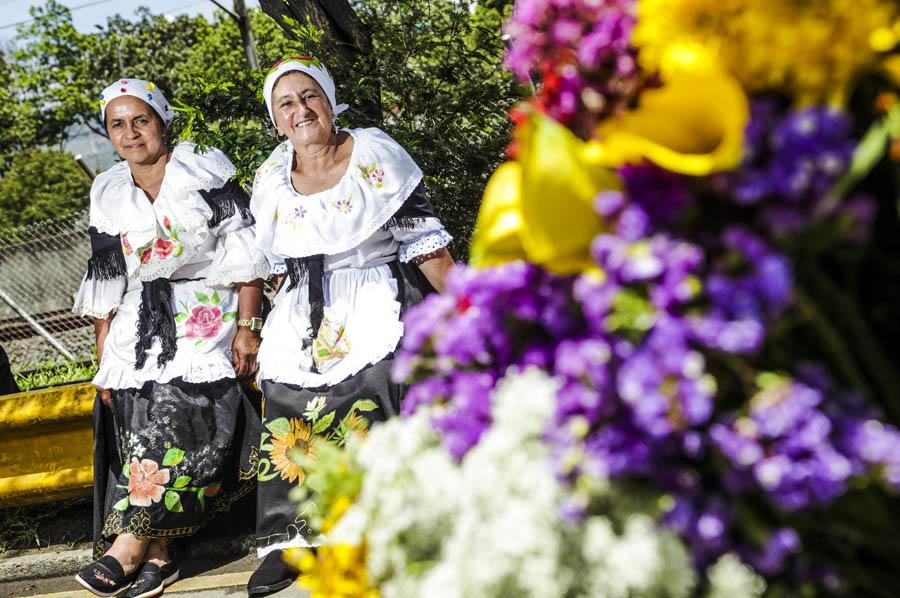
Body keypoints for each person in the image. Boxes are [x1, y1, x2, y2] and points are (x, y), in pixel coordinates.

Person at [247, 56, 454, 595]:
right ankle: (291, 536)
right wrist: (266, 325)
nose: (300, 110)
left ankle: (379, 522)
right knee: (286, 392)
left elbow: (422, 239)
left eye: (309, 96)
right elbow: (271, 264)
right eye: (285, 104)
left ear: (330, 100)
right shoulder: (272, 179)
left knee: (374, 381)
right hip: (307, 303)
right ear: (276, 120)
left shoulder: (373, 156)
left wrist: (469, 308)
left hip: (376, 289)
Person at [72, 78, 268, 598]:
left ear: (163, 122)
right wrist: (104, 351)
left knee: (182, 398)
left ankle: (132, 544)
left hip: (207, 303)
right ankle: (160, 553)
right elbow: (107, 274)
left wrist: (248, 327)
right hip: (141, 315)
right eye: (118, 124)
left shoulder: (203, 164)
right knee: (134, 397)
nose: (131, 133)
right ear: (108, 134)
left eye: (141, 120)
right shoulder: (108, 189)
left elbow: (243, 248)